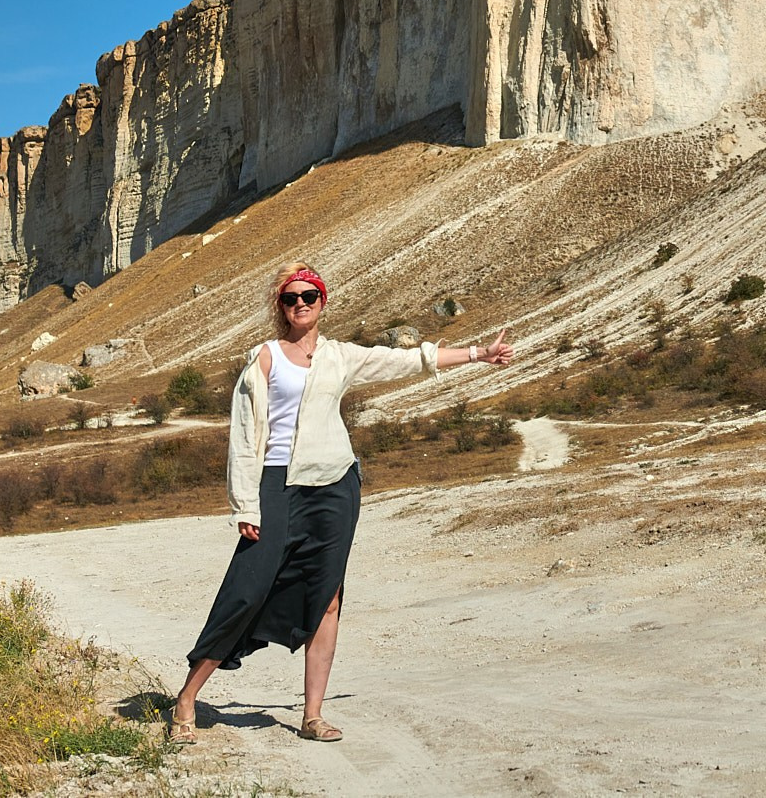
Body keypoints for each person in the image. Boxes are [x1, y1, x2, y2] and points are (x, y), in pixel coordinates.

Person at [169, 262, 514, 743]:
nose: (301, 304)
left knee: (327, 597)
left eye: (310, 296)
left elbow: (410, 361)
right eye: (291, 298)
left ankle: (313, 715)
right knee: (247, 587)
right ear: (281, 307)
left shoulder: (340, 356)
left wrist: (479, 353)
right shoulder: (265, 358)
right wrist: (245, 503)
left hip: (335, 485)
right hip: (275, 485)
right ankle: (187, 698)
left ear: (322, 301)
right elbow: (244, 437)